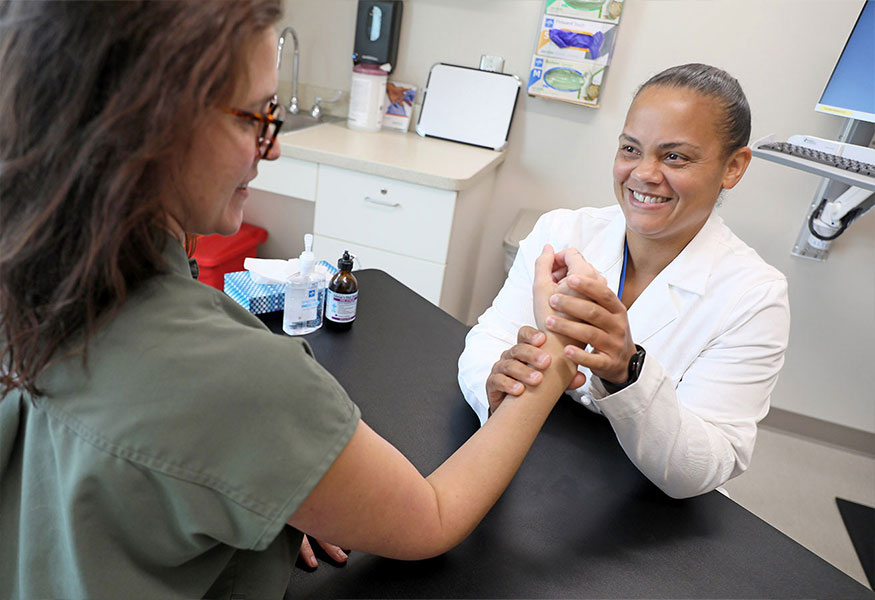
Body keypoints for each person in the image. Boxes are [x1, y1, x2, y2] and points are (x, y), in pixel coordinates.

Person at [0, 2, 585, 597]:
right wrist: (552, 363)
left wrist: (249, 492)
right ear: (152, 127)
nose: (271, 147)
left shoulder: (28, 290)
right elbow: (433, 517)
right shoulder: (237, 381)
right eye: (256, 116)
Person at [458, 63, 791, 500]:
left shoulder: (755, 296)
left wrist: (626, 372)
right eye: (631, 149)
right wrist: (495, 380)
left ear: (733, 167)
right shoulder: (563, 232)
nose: (644, 174)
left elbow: (704, 466)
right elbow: (488, 339)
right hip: (539, 464)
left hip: (646, 507)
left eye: (675, 156)